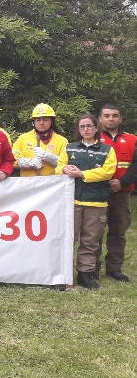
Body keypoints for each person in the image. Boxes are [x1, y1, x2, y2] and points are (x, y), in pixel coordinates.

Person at [57, 114, 117, 290]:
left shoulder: (107, 150)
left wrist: (82, 174)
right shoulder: (70, 147)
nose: (86, 129)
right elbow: (58, 166)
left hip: (96, 203)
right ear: (78, 129)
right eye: (82, 126)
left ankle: (85, 274)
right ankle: (64, 275)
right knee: (68, 238)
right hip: (71, 201)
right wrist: (63, 168)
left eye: (89, 126)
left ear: (96, 128)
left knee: (91, 241)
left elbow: (108, 172)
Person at [98, 103, 136, 282]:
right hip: (97, 192)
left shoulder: (132, 139)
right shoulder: (93, 137)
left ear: (120, 118)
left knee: (118, 231)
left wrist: (121, 182)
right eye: (107, 115)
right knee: (94, 231)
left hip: (122, 192)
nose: (111, 118)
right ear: (100, 118)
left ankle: (114, 268)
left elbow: (135, 166)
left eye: (114, 115)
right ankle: (91, 268)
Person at [12, 103, 67, 177]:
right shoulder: (23, 139)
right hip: (28, 185)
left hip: (53, 186)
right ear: (33, 122)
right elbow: (12, 160)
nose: (41, 123)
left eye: (45, 120)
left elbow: (65, 165)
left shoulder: (62, 141)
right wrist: (30, 163)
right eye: (38, 120)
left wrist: (48, 156)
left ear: (52, 122)